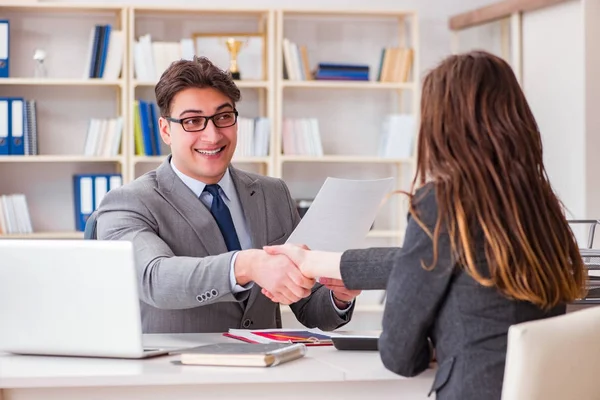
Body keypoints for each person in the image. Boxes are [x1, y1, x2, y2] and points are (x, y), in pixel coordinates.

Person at [264, 50, 587, 400]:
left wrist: (436, 342)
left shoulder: (443, 203)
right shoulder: (540, 206)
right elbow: (424, 260)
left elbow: (400, 354)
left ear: (442, 126)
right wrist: (318, 262)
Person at [96, 56, 359, 334]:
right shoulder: (128, 202)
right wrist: (246, 265)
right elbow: (155, 279)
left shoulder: (273, 193)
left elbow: (308, 307)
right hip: (175, 372)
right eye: (193, 121)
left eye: (223, 117)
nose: (212, 135)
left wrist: (338, 295)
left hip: (266, 368)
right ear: (165, 130)